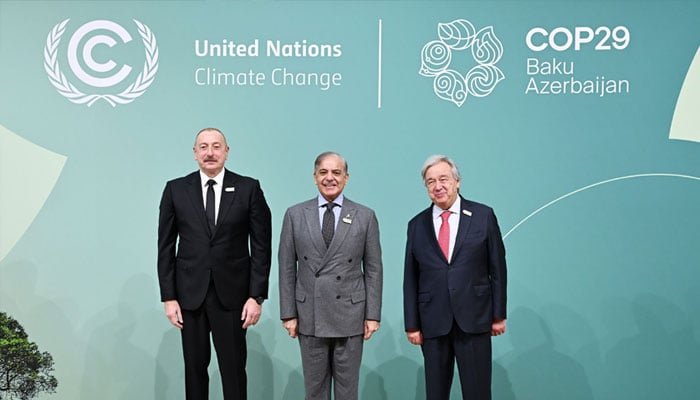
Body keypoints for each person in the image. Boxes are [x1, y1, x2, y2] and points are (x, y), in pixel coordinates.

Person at [157, 127, 272, 400]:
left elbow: (261, 247)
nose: (210, 153)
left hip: (233, 297)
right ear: (195, 153)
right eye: (204, 147)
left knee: (233, 371)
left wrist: (256, 296)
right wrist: (169, 297)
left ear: (227, 152)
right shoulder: (175, 189)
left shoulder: (248, 188)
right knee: (194, 370)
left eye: (216, 146)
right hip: (190, 297)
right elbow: (165, 247)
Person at [278, 151, 383, 400]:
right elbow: (286, 266)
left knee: (348, 391)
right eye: (323, 172)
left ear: (346, 177)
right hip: (309, 315)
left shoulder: (365, 216)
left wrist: (372, 315)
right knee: (314, 391)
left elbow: (374, 269)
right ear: (314, 177)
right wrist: (289, 313)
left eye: (336, 172)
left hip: (350, 315)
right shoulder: (295, 214)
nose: (330, 178)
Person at [403, 155, 507, 400]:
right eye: (431, 182)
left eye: (443, 179)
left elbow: (498, 268)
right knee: (436, 393)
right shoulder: (416, 225)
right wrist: (412, 324)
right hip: (433, 322)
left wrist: (498, 315)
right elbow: (410, 277)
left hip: (475, 318)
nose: (438, 186)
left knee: (477, 392)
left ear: (457, 181)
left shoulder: (483, 215)